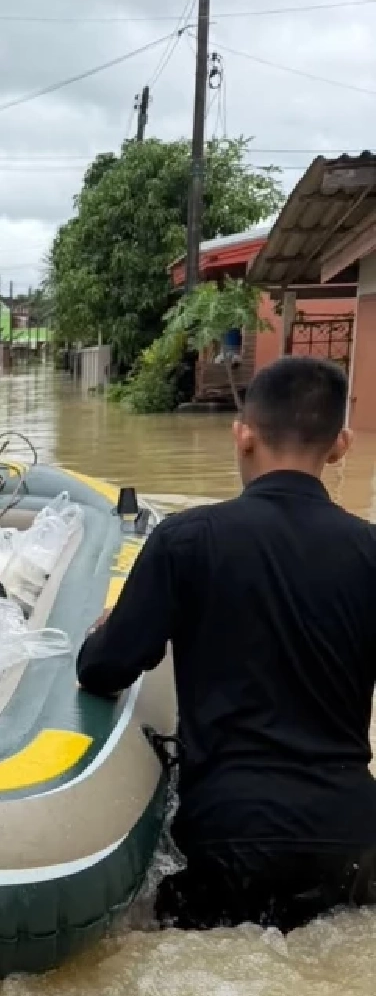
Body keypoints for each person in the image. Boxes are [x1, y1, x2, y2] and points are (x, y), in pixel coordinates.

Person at [77, 356, 376, 932]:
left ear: (242, 435)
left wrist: (110, 629)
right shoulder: (370, 550)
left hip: (232, 832)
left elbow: (103, 670)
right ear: (340, 447)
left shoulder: (187, 540)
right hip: (355, 833)